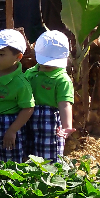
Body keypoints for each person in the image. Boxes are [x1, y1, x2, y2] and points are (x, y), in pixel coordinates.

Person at [0, 30, 35, 163]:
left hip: (8, 124)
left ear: (18, 57)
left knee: (9, 163)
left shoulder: (20, 82)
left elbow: (28, 108)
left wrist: (13, 130)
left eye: (1, 54)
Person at [25, 30, 74, 162]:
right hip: (28, 116)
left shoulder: (62, 79)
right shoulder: (30, 73)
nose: (48, 64)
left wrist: (67, 126)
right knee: (29, 154)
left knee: (49, 157)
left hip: (49, 121)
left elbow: (65, 104)